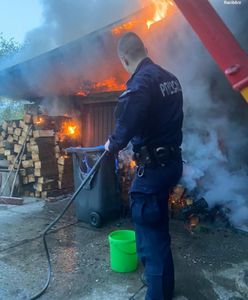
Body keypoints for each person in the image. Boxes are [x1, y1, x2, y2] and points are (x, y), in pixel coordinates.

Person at [105, 32, 183, 300]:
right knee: (158, 228)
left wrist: (111, 144)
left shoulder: (140, 84)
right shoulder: (170, 79)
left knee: (151, 235)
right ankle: (164, 285)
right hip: (171, 162)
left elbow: (125, 126)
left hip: (154, 169)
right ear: (145, 49)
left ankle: (158, 295)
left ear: (124, 57)